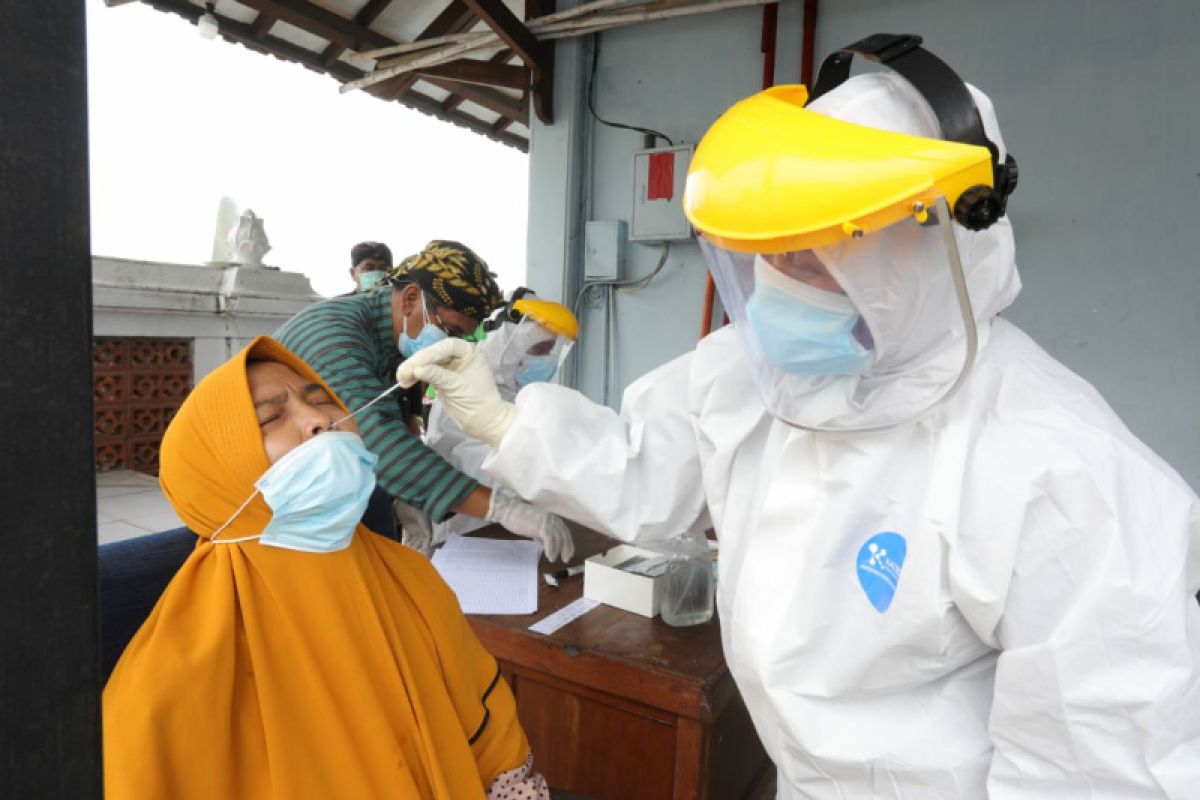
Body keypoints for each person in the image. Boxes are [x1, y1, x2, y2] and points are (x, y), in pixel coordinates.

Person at [398, 35, 1200, 798]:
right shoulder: (757, 375)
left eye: (815, 252)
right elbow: (643, 470)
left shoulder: (1067, 474)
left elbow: (1101, 768)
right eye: (771, 251)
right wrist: (505, 424)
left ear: (928, 240)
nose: (779, 282)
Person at [103, 336, 549, 799]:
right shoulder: (184, 661)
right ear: (218, 476)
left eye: (322, 400)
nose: (321, 421)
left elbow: (490, 729)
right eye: (271, 417)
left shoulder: (411, 575)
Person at [275, 239, 573, 562]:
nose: (451, 344)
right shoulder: (332, 336)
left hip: (342, 486)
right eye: (450, 330)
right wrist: (501, 508)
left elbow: (398, 428)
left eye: (461, 337)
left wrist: (407, 496)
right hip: (278, 503)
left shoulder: (396, 345)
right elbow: (379, 441)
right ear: (411, 299)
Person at [426, 295, 577, 542]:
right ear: (511, 341)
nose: (544, 360)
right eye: (538, 349)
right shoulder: (466, 384)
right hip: (466, 529)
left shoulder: (516, 390)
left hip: (513, 526)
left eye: (550, 351)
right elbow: (473, 463)